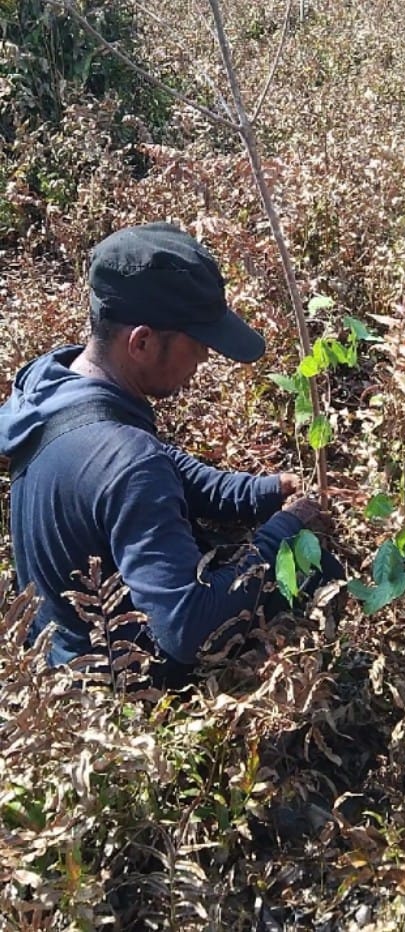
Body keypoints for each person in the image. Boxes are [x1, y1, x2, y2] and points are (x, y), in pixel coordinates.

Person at [0, 222, 340, 687]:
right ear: (140, 342)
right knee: (319, 566)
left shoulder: (51, 384)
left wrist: (266, 491)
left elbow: (162, 464)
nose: (204, 358)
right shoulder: (129, 462)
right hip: (110, 684)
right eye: (197, 344)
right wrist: (283, 531)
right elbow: (190, 632)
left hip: (57, 650)